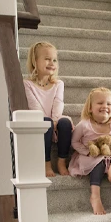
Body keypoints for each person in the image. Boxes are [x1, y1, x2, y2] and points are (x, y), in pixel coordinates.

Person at [69, 87, 111, 215]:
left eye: (109, 103)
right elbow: (74, 142)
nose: (105, 106)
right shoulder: (84, 124)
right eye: (100, 103)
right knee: (99, 163)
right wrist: (87, 152)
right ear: (90, 108)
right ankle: (95, 196)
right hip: (90, 157)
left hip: (110, 157)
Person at [23, 41, 73, 177]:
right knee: (45, 121)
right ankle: (46, 163)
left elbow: (58, 103)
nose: (52, 63)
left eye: (54, 60)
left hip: (54, 120)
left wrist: (55, 121)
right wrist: (50, 123)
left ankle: (62, 161)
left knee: (65, 123)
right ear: (35, 61)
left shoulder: (58, 84)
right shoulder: (27, 84)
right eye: (47, 59)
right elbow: (35, 108)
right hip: (39, 121)